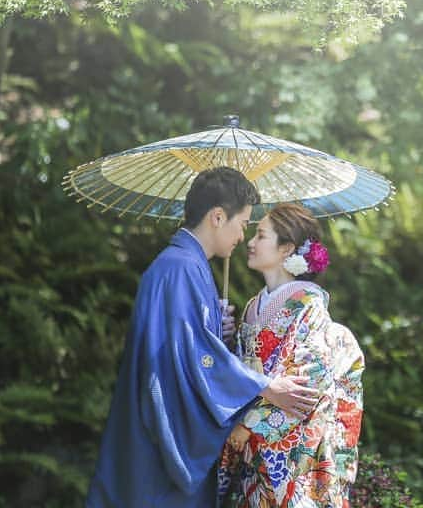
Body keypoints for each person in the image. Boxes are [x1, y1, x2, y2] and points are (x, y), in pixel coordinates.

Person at [87, 167, 321, 508]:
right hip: (159, 443)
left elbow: (192, 341)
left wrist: (217, 330)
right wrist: (264, 386)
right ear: (217, 217)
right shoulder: (179, 268)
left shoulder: (186, 264)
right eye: (242, 224)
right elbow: (192, 354)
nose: (243, 237)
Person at [218, 202, 365, 508]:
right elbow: (244, 370)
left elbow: (308, 384)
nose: (250, 242)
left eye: (260, 235)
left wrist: (247, 425)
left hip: (290, 456)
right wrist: (226, 336)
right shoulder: (252, 307)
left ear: (286, 249)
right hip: (251, 455)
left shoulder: (309, 306)